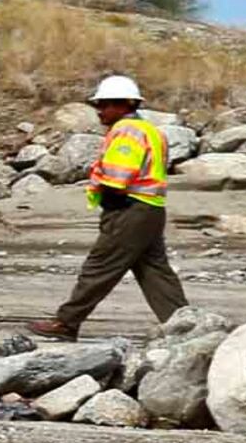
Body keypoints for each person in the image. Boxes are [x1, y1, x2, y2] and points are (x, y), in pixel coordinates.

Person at [33, 74, 188, 338]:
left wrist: (107, 196)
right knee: (155, 272)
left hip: (129, 209)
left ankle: (67, 322)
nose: (100, 111)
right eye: (99, 105)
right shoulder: (152, 131)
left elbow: (118, 175)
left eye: (104, 105)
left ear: (125, 104)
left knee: (99, 267)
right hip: (151, 208)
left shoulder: (127, 132)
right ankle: (186, 325)